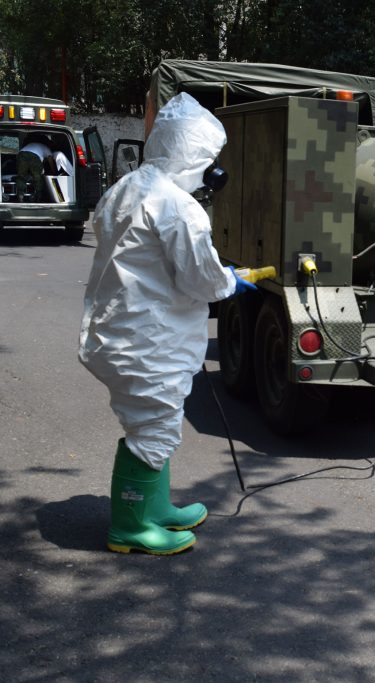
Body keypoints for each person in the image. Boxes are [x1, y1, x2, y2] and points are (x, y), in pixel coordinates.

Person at [79, 92, 255, 555]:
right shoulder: (177, 205)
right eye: (209, 159)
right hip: (147, 338)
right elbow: (202, 280)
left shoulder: (129, 186)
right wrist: (229, 281)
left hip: (122, 330)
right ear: (195, 155)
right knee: (153, 428)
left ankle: (156, 509)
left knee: (155, 423)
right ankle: (130, 527)